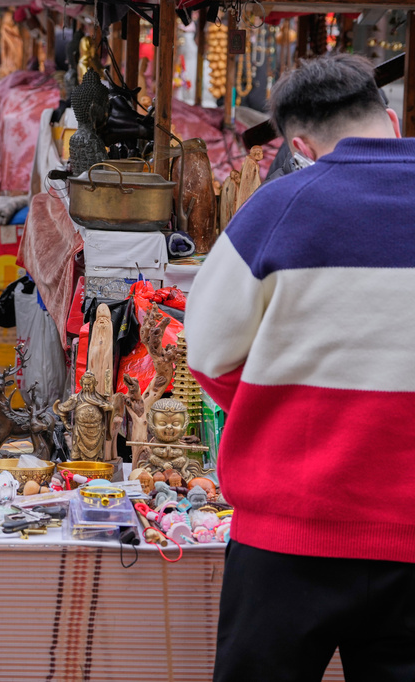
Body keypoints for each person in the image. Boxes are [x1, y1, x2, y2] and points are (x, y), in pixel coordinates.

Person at [184, 54, 415, 682]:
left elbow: (206, 351)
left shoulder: (277, 206)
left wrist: (276, 400)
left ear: (300, 146)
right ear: (390, 121)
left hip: (288, 537)